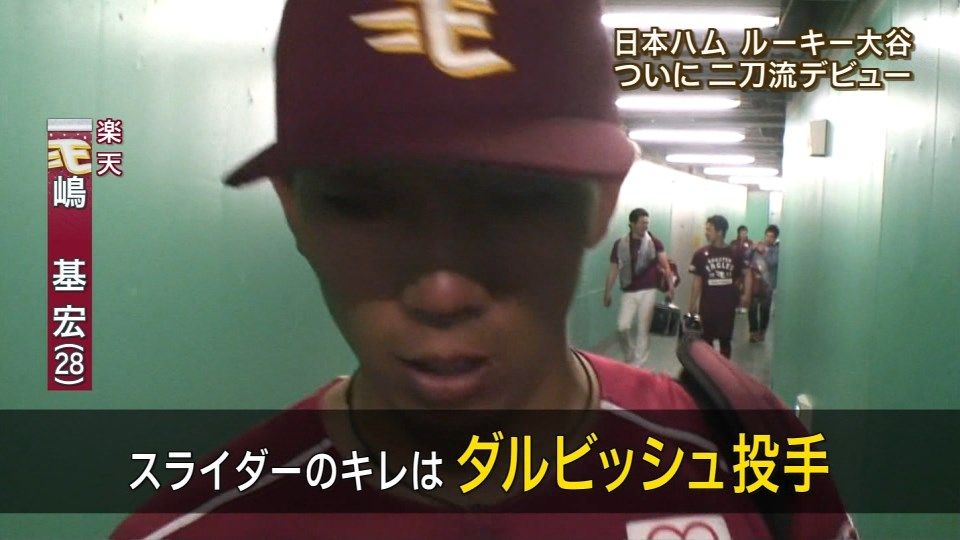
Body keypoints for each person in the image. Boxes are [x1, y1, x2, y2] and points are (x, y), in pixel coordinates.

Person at [113, 2, 852, 539]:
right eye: (364, 205)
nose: (442, 292)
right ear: (293, 210)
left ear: (602, 202)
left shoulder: (755, 471)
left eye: (513, 200)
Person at [603, 208, 675, 366]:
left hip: (648, 289)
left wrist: (671, 288)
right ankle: (629, 354)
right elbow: (614, 269)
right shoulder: (620, 244)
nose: (645, 226)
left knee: (643, 328)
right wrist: (607, 292)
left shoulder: (654, 242)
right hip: (628, 290)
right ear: (632, 224)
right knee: (622, 327)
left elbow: (666, 266)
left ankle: (638, 364)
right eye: (642, 223)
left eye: (647, 223)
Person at [688, 216, 751, 358]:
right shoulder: (700, 254)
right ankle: (709, 369)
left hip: (727, 305)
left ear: (720, 232)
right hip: (707, 305)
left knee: (725, 340)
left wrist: (746, 294)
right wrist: (692, 304)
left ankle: (724, 369)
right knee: (706, 340)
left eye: (709, 230)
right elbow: (697, 280)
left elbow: (747, 273)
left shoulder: (735, 253)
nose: (706, 233)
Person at [749, 225, 781, 342]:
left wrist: (764, 252)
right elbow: (746, 257)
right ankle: (753, 332)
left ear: (775, 238)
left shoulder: (776, 250)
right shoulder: (758, 246)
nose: (768, 238)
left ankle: (762, 332)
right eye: (767, 235)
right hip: (754, 282)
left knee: (764, 309)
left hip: (767, 284)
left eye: (771, 237)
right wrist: (752, 248)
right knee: (752, 308)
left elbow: (772, 263)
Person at [730, 225, 754, 314]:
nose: (744, 234)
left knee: (745, 288)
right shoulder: (733, 243)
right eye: (742, 232)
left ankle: (743, 306)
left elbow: (752, 255)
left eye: (745, 233)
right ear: (739, 233)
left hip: (746, 268)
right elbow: (730, 254)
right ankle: (736, 305)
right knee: (735, 287)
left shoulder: (750, 243)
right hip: (735, 268)